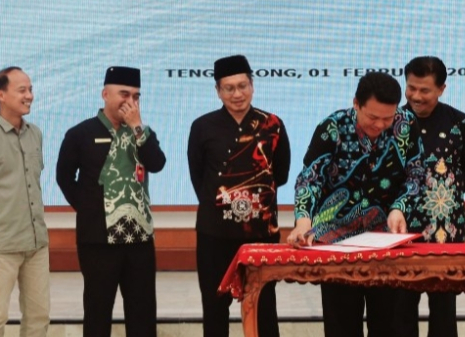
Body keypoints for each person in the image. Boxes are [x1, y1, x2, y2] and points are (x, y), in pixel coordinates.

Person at [287, 72, 425, 337]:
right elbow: (310, 178)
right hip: (337, 240)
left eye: (387, 118)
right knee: (342, 325)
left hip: (387, 239)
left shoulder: (406, 124)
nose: (380, 125)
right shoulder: (333, 127)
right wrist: (303, 220)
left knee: (389, 324)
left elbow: (416, 174)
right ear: (356, 104)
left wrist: (400, 207)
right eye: (372, 117)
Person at [56, 66, 166, 337]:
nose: (130, 102)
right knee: (98, 312)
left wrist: (138, 127)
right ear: (105, 94)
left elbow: (157, 163)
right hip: (98, 241)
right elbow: (64, 177)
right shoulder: (80, 133)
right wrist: (89, 209)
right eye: (124, 94)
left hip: (139, 239)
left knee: (142, 314)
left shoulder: (143, 134)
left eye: (136, 96)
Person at [187, 55, 291, 337]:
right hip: (214, 234)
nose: (237, 94)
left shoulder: (272, 124)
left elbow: (280, 174)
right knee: (214, 307)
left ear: (252, 86)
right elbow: (200, 179)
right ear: (218, 91)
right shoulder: (202, 126)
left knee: (264, 307)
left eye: (242, 86)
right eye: (229, 88)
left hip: (260, 233)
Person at [393, 56, 465, 337]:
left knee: (444, 309)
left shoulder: (459, 122)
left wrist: (443, 197)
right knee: (399, 309)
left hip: (447, 230)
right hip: (400, 230)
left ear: (442, 89)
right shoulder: (392, 122)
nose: (416, 96)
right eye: (411, 88)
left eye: (425, 90)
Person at [0, 66, 50, 337]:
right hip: (3, 245)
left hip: (36, 244)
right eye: (22, 90)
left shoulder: (35, 134)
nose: (29, 95)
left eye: (30, 89)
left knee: (39, 318)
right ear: (1, 94)